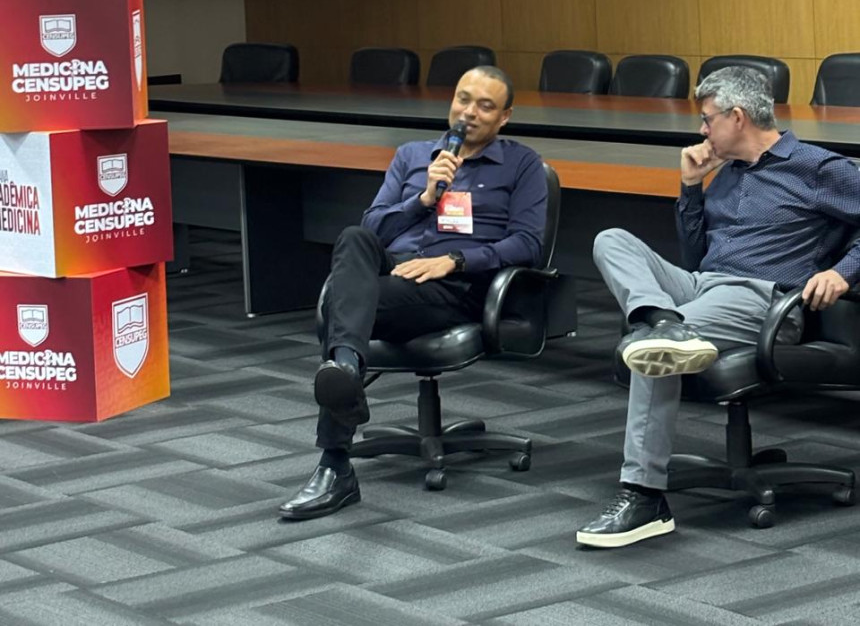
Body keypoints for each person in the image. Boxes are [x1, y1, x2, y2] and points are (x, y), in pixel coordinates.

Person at [577, 66, 860, 549]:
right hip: (702, 286)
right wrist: (691, 187)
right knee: (612, 239)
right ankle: (663, 320)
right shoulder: (726, 175)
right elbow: (694, 257)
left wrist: (844, 272)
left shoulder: (816, 168)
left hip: (762, 298)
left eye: (708, 119)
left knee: (656, 351)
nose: (702, 130)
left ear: (737, 117)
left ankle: (645, 497)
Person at [278, 65, 548, 521]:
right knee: (353, 238)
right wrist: (422, 199)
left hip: (456, 286)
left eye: (485, 106)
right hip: (395, 271)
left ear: (504, 117)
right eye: (463, 99)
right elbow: (373, 227)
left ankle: (335, 461)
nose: (469, 112)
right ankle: (346, 371)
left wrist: (455, 260)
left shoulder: (522, 165)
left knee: (344, 305)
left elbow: (528, 244)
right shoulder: (413, 155)